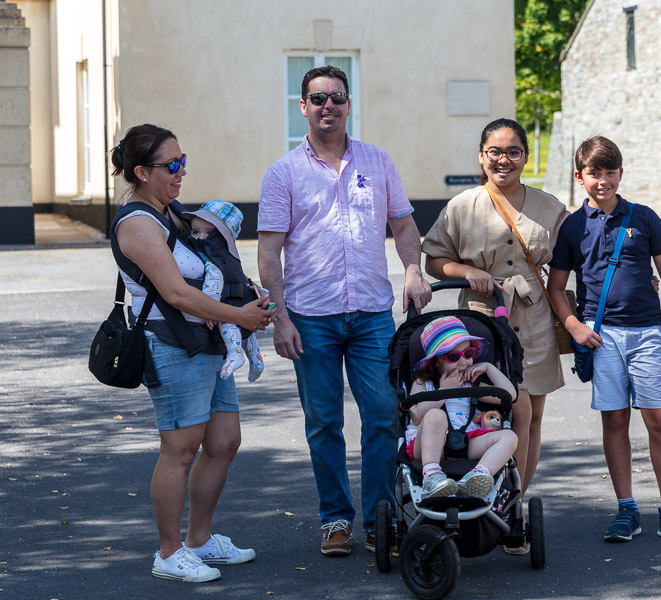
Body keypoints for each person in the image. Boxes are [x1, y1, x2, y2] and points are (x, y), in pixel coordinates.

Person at [257, 65, 432, 557]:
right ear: (303, 107)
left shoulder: (377, 162)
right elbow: (269, 251)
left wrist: (414, 269)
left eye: (336, 97)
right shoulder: (283, 173)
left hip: (373, 314)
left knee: (383, 415)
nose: (327, 106)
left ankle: (382, 517)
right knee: (323, 423)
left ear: (349, 104)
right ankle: (335, 519)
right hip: (311, 317)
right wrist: (280, 317)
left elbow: (402, 226)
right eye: (317, 99)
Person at [110, 124, 275, 582]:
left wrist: (245, 293)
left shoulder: (172, 212)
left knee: (224, 442)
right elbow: (177, 294)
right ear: (141, 172)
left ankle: (199, 540)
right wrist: (238, 317)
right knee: (180, 449)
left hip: (207, 342)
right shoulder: (138, 223)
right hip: (172, 345)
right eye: (172, 165)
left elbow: (210, 267)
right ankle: (169, 552)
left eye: (184, 161)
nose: (182, 172)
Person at [547, 135, 661, 543]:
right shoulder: (572, 226)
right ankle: (626, 509)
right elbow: (555, 288)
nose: (602, 181)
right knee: (615, 419)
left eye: (610, 173)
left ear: (621, 174)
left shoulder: (643, 218)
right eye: (594, 174)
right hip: (600, 339)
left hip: (648, 334)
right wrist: (574, 327)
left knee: (659, 419)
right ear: (579, 177)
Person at [422, 118, 568, 504]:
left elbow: (574, 264)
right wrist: (468, 270)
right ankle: (482, 492)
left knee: (529, 417)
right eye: (495, 152)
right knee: (491, 413)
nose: (504, 160)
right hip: (481, 325)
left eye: (513, 151)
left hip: (533, 321)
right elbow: (433, 261)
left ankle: (513, 503)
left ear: (525, 156)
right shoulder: (461, 207)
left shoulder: (550, 208)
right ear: (482, 156)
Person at [407, 316, 518, 499]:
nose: (463, 361)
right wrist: (443, 391)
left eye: (468, 354)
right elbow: (417, 416)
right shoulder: (424, 383)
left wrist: (489, 368)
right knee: (435, 415)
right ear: (436, 361)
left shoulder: (471, 386)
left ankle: (478, 476)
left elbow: (509, 395)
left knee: (509, 437)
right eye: (453, 356)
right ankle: (432, 476)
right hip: (430, 445)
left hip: (466, 440)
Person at [185, 200, 266, 382]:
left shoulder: (210, 254)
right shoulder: (230, 254)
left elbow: (215, 279)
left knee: (227, 322)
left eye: (209, 233)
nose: (200, 238)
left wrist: (208, 308)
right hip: (243, 295)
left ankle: (235, 352)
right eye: (195, 232)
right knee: (248, 333)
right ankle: (256, 358)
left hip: (224, 301)